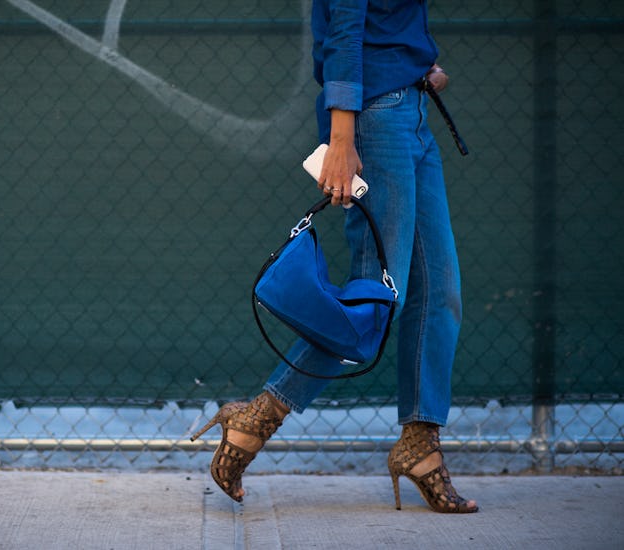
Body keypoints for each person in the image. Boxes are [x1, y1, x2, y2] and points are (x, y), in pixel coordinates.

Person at [192, 0, 478, 513]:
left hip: (411, 110)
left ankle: (420, 440)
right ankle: (258, 416)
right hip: (374, 120)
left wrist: (415, 62)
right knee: (372, 304)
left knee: (440, 293)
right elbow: (343, 31)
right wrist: (342, 139)